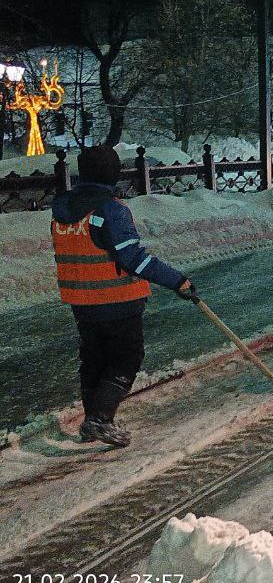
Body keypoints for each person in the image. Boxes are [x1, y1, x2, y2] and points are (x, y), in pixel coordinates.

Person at [50, 145, 196, 447]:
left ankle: (93, 420)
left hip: (81, 301)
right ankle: (100, 419)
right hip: (117, 300)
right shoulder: (111, 210)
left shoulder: (63, 210)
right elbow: (134, 259)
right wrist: (177, 281)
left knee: (93, 360)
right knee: (126, 359)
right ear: (113, 174)